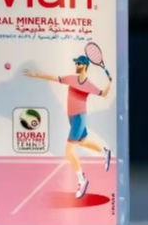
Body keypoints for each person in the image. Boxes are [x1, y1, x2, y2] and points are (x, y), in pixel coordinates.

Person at [24, 55, 112, 199]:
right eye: (76, 63)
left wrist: (110, 83)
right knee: (82, 142)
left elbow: (103, 94)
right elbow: (54, 78)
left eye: (78, 63)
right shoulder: (71, 79)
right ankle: (105, 151)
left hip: (79, 118)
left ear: (84, 66)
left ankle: (82, 180)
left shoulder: (89, 85)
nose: (76, 65)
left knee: (68, 151)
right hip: (71, 117)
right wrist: (36, 75)